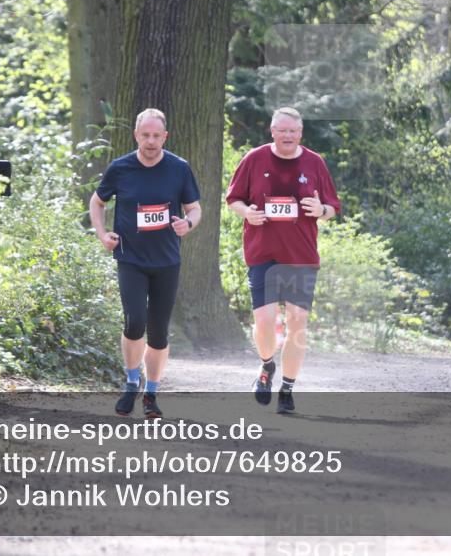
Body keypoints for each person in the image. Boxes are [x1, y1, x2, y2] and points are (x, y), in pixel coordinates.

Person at [226, 107, 340, 414]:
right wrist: (246, 212)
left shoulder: (315, 162)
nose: (287, 135)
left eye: (293, 131)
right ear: (272, 131)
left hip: (301, 256)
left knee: (297, 322)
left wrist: (321, 210)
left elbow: (332, 206)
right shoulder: (255, 158)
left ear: (301, 133)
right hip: (262, 252)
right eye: (282, 130)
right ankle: (267, 367)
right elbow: (234, 198)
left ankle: (287, 389)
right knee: (264, 322)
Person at [90, 108, 201, 419]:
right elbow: (97, 202)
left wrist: (188, 224)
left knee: (158, 331)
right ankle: (130, 383)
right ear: (136, 135)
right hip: (131, 259)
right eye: (145, 135)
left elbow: (195, 209)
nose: (151, 141)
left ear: (165, 137)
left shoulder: (179, 168)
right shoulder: (121, 168)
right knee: (134, 322)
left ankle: (151, 393)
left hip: (167, 261)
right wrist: (102, 234)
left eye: (156, 136)